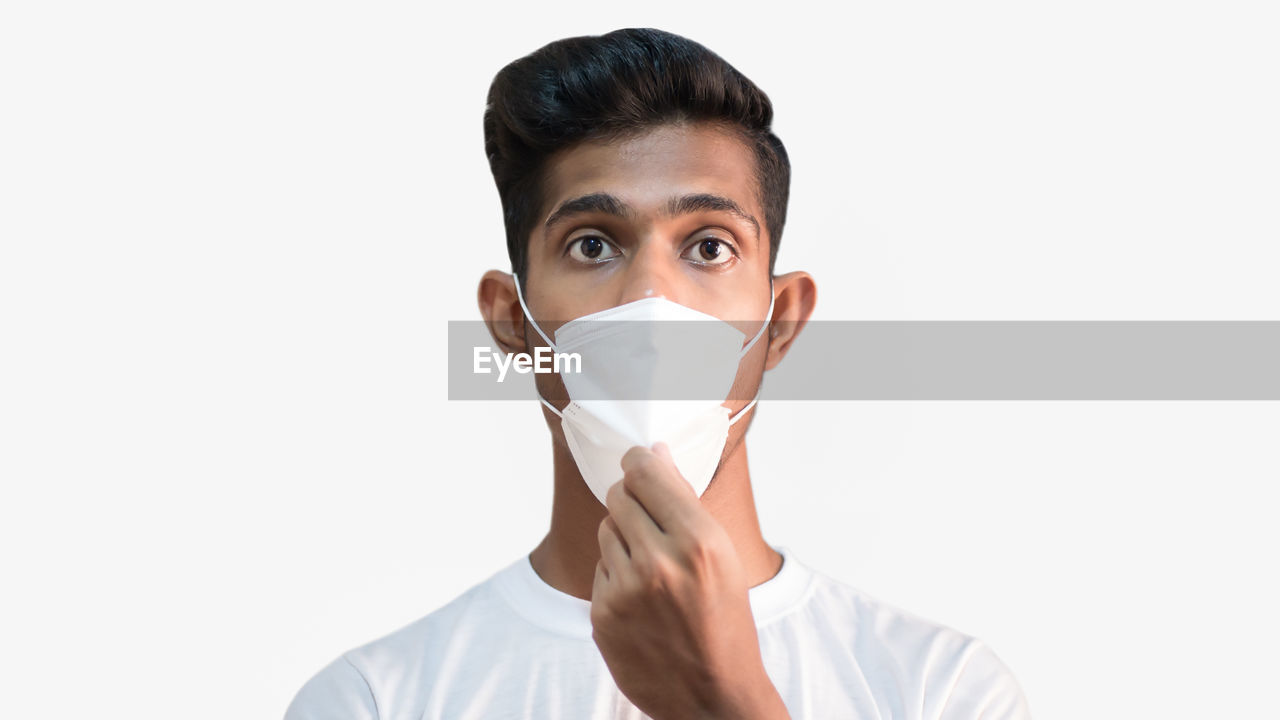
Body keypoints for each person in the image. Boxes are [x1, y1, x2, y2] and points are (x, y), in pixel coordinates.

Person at [284, 27, 1032, 720]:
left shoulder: (940, 689)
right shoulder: (376, 701)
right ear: (513, 320)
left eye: (708, 247)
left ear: (781, 320)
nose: (650, 303)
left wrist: (730, 701)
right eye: (591, 246)